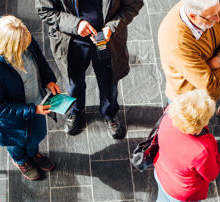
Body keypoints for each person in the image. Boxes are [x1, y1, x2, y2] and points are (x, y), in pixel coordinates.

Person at [36, 0, 144, 139]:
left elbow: (134, 4)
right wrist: (75, 25)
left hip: (108, 41)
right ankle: (75, 110)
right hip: (71, 42)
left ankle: (110, 114)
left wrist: (112, 27)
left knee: (109, 82)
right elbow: (45, 10)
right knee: (74, 83)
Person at [0, 15, 61, 181]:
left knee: (36, 134)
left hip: (33, 102)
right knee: (15, 143)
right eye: (20, 47)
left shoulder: (19, 33)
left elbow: (39, 59)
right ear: (6, 46)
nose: (25, 48)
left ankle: (33, 153)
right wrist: (32, 109)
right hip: (6, 120)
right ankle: (20, 160)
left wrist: (48, 79)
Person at [153, 89, 220, 202]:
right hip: (182, 192)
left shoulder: (169, 115)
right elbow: (211, 174)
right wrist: (216, 156)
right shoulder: (202, 149)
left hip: (161, 173)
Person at [158, 0, 220, 103]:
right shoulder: (178, 43)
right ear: (193, 16)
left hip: (207, 96)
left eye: (219, 11)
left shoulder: (208, 8)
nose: (218, 19)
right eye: (212, 17)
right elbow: (209, 85)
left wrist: (219, 59)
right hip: (189, 103)